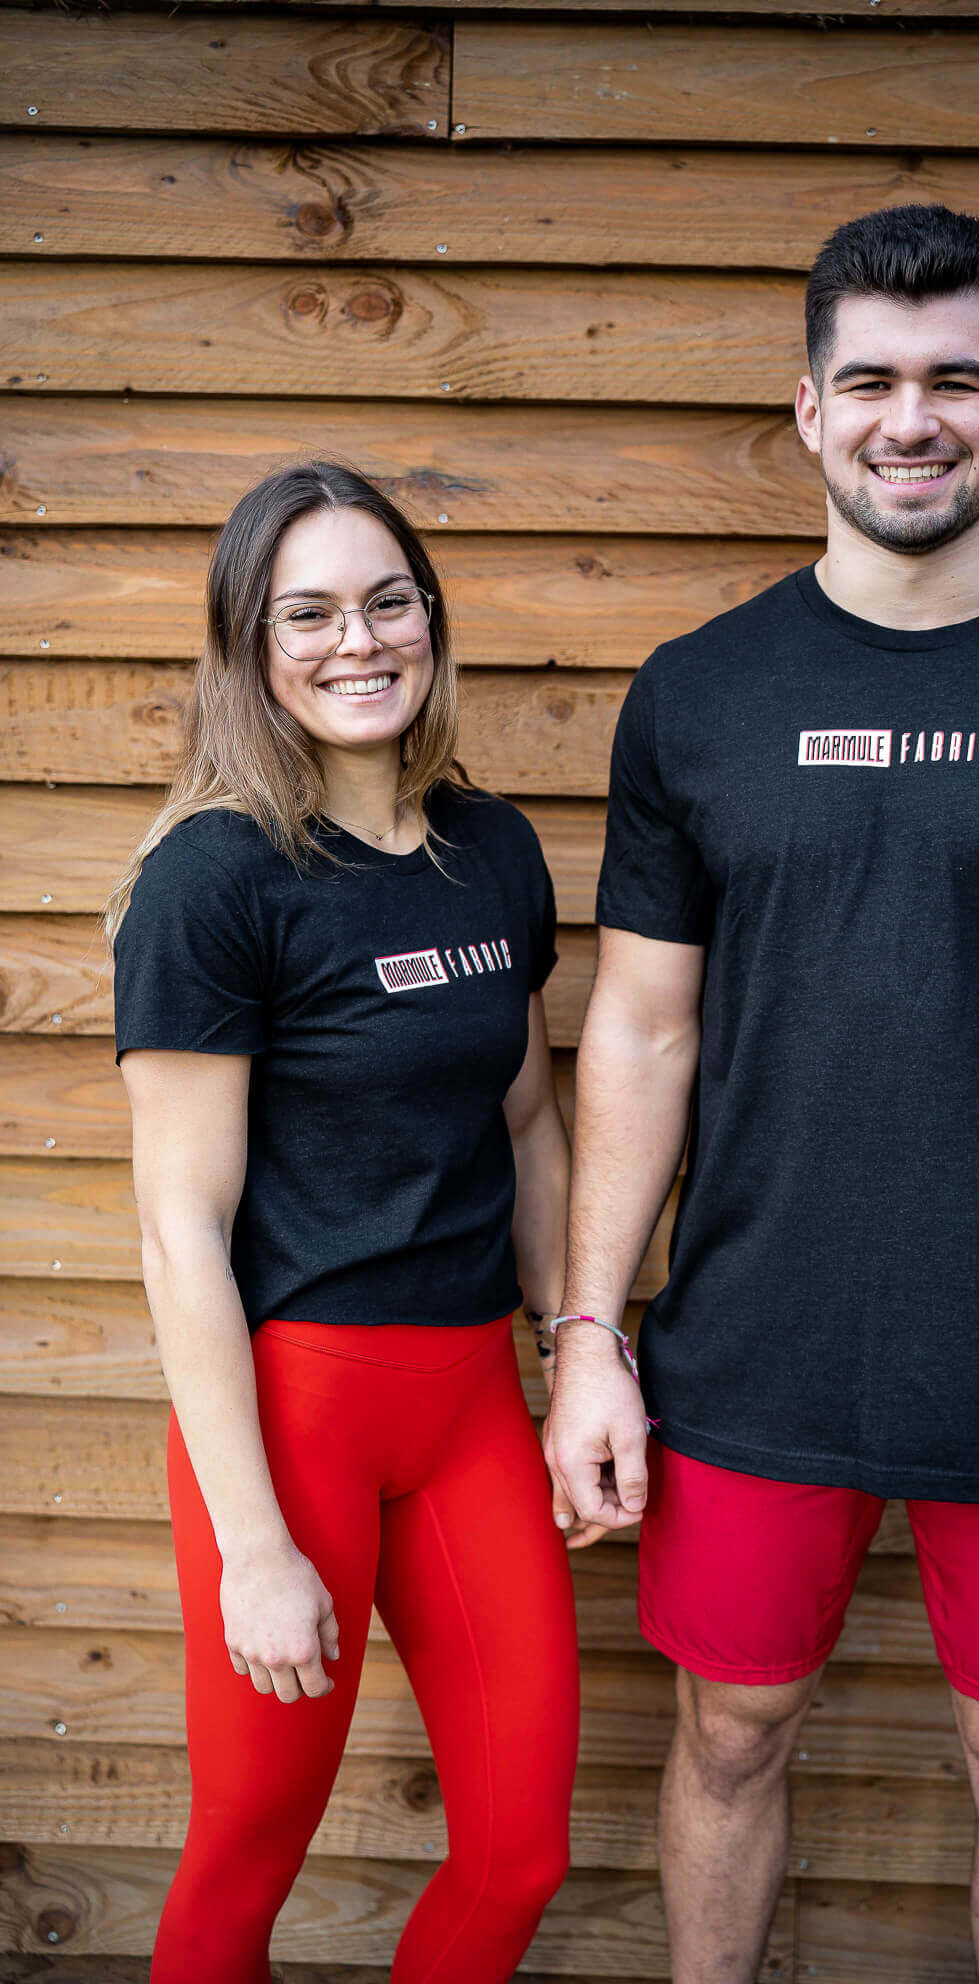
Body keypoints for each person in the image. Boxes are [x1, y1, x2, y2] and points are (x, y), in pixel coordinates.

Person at [544, 205, 979, 1984]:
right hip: (751, 1340)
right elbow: (639, 1029)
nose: (908, 419)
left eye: (951, 378)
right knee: (728, 1734)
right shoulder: (698, 696)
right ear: (807, 408)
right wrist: (587, 1333)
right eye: (867, 381)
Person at [108, 460, 586, 1984]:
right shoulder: (212, 882)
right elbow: (181, 1232)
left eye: (386, 602)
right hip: (293, 1415)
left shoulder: (489, 852)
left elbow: (528, 1124)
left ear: (429, 618)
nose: (356, 641)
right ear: (248, 646)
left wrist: (580, 1350)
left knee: (517, 1855)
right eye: (305, 614)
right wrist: (252, 1545)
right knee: (248, 1854)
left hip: (467, 1405)